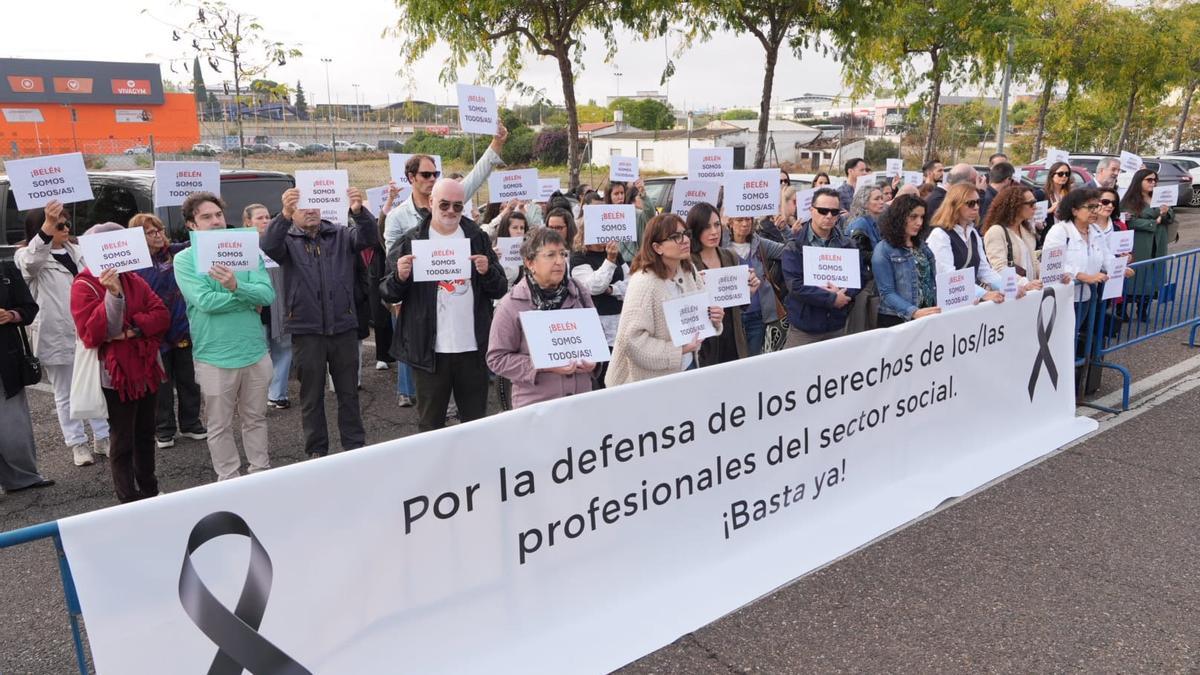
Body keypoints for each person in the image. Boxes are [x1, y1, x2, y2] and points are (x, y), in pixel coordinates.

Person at [381, 178, 507, 431]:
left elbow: (500, 287)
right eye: (444, 205)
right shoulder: (411, 241)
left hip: (472, 349)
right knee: (430, 426)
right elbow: (387, 292)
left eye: (458, 206)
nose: (451, 211)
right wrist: (400, 277)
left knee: (475, 424)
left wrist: (487, 271)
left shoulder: (476, 238)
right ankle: (436, 471)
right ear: (430, 203)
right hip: (429, 352)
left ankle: (471, 470)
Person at [262, 185, 378, 456]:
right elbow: (268, 245)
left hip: (343, 327)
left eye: (314, 204)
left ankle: (354, 445)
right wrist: (284, 215)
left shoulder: (340, 233)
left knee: (348, 392)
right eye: (303, 206)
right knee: (311, 396)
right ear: (295, 211)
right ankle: (316, 450)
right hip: (306, 329)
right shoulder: (287, 240)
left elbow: (369, 238)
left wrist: (359, 212)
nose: (311, 210)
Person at [173, 193, 275, 480]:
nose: (216, 220)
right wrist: (242, 294)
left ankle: (260, 473)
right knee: (219, 425)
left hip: (254, 351)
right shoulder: (184, 260)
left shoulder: (246, 251)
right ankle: (229, 480)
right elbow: (204, 301)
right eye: (206, 217)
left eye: (218, 214)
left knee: (255, 419)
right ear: (192, 225)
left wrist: (234, 287)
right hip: (214, 357)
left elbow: (267, 295)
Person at [71, 222, 169, 503]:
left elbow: (161, 315)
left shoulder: (134, 279)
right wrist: (113, 296)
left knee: (145, 434)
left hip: (145, 368)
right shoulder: (84, 285)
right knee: (123, 439)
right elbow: (94, 333)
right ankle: (127, 498)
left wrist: (134, 328)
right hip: (115, 376)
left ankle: (150, 490)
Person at [14, 201, 110, 466]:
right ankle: (77, 443)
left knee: (96, 385)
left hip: (87, 328)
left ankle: (102, 437)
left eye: (67, 223)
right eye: (59, 224)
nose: (66, 228)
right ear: (42, 228)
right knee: (66, 392)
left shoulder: (80, 251)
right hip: (55, 332)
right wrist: (47, 226)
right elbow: (32, 262)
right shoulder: (26, 256)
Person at [605, 214, 722, 386]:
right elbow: (631, 341)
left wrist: (714, 318)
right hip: (649, 382)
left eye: (686, 234)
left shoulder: (689, 270)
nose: (685, 240)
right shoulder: (643, 283)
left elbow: (702, 315)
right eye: (675, 237)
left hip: (687, 366)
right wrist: (679, 350)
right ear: (657, 247)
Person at [486, 228, 595, 408]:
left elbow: (593, 342)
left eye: (563, 254)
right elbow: (497, 358)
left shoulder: (579, 293)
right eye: (550, 255)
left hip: (581, 405)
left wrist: (593, 363)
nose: (560, 261)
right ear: (530, 263)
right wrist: (542, 365)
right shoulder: (511, 304)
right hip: (537, 409)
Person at [129, 213, 206, 450]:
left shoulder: (175, 253)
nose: (158, 235)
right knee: (161, 386)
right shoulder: (134, 263)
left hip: (182, 328)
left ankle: (191, 423)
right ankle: (163, 430)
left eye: (159, 230)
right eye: (150, 232)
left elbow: (200, 242)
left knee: (189, 380)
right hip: (154, 334)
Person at [383, 123, 509, 252]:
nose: (432, 178)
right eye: (426, 175)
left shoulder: (450, 198)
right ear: (411, 177)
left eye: (435, 174)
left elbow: (476, 176)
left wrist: (497, 142)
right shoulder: (397, 217)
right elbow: (393, 260)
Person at [0, 259, 54, 493]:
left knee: (13, 423)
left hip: (6, 360)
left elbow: (29, 308)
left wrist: (11, 315)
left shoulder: (6, 269)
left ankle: (22, 477)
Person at [781, 188, 859, 346]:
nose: (829, 216)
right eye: (823, 211)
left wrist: (843, 294)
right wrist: (831, 299)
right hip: (805, 328)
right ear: (811, 210)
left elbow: (859, 277)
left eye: (834, 212)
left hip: (836, 324)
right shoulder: (794, 246)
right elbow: (795, 286)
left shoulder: (848, 244)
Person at [688, 203, 756, 365]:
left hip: (733, 339)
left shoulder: (729, 256)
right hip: (704, 344)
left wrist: (749, 291)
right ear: (695, 230)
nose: (714, 232)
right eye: (706, 227)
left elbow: (737, 305)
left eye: (717, 225)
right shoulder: (688, 263)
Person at [244, 204, 294, 409]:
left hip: (281, 305)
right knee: (260, 354)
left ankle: (278, 394)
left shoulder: (282, 241)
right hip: (258, 307)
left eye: (267, 217)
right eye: (259, 218)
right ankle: (256, 397)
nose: (266, 221)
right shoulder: (241, 246)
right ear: (247, 222)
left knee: (284, 348)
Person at [570, 218, 627, 388]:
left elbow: (631, 282)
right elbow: (592, 287)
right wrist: (609, 261)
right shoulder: (579, 257)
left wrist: (612, 290)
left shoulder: (617, 254)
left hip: (620, 320)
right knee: (603, 376)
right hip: (598, 323)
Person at [926, 183, 1008, 303]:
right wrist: (983, 294)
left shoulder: (973, 233)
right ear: (955, 205)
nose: (976, 207)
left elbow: (984, 270)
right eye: (970, 203)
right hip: (949, 303)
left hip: (969, 299)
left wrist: (1009, 286)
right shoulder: (940, 235)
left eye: (978, 202)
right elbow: (948, 276)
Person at [872, 195, 941, 327]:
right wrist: (914, 312)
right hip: (897, 320)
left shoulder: (921, 246)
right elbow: (887, 293)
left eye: (922, 217)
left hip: (927, 315)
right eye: (913, 217)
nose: (919, 222)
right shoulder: (883, 250)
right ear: (899, 217)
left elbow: (932, 280)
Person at [726, 212, 786, 356]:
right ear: (730, 223)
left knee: (754, 360)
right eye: (739, 220)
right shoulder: (720, 247)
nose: (745, 224)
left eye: (748, 219)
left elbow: (788, 252)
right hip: (732, 317)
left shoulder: (759, 244)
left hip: (757, 316)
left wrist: (787, 230)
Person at [1120, 168, 1175, 321]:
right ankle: (1122, 309)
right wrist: (1153, 222)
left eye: (1155, 180)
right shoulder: (1129, 200)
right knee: (1135, 276)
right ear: (1139, 182)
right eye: (1149, 180)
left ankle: (1143, 309)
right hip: (1140, 242)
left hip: (1158, 242)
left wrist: (1165, 212)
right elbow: (1129, 221)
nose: (1153, 183)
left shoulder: (1159, 197)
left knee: (1153, 275)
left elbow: (1170, 217)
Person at [981, 186, 1046, 290]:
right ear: (1016, 206)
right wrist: (1024, 284)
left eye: (1035, 202)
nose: (1035, 207)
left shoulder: (1026, 229)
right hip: (1009, 294)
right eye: (1031, 203)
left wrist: (1050, 275)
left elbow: (1033, 261)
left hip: (1029, 293)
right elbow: (999, 268)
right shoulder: (996, 232)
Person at [609, 178, 657, 262]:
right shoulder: (603, 215)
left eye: (622, 193)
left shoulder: (635, 214)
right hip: (611, 261)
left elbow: (650, 215)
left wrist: (643, 194)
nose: (620, 197)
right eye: (616, 194)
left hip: (633, 261)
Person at [492, 209, 529, 286]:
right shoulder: (495, 252)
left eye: (522, 228)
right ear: (506, 229)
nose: (519, 231)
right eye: (515, 227)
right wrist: (492, 260)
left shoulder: (527, 249)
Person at [1042, 161, 1073, 230]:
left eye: (1067, 174)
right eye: (1060, 174)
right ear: (1052, 175)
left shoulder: (1069, 194)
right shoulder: (1041, 194)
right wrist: (1049, 210)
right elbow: (1032, 215)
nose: (1064, 176)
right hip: (1048, 233)